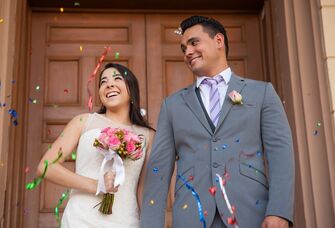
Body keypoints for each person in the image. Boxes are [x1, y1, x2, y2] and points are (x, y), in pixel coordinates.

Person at [141, 15, 294, 228]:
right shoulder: (172, 105)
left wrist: (279, 211)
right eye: (183, 48)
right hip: (192, 217)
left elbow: (281, 153)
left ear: (219, 41)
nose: (188, 52)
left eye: (194, 43)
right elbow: (159, 170)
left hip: (251, 214)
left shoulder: (262, 93)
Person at [37, 63, 155, 228]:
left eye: (117, 78)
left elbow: (142, 189)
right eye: (103, 82)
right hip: (81, 219)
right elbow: (45, 166)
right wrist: (96, 185)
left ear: (132, 88)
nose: (109, 84)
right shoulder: (83, 122)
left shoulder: (148, 136)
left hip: (126, 221)